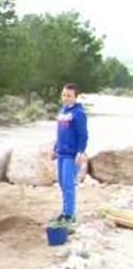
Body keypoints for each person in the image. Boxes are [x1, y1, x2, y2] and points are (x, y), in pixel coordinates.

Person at [52, 83, 88, 227]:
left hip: (72, 155)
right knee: (62, 183)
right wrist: (55, 148)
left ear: (75, 97)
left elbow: (83, 134)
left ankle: (70, 215)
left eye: (69, 95)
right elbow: (60, 132)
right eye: (64, 95)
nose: (65, 98)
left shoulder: (79, 113)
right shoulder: (62, 111)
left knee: (68, 184)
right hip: (61, 153)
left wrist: (80, 152)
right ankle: (65, 211)